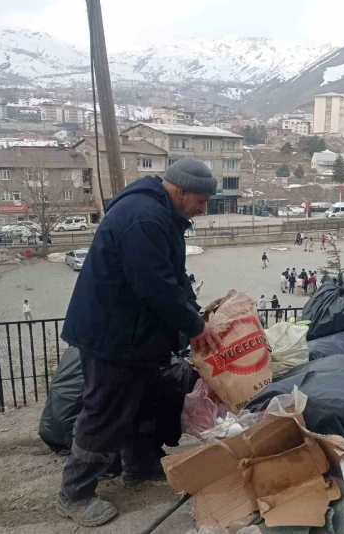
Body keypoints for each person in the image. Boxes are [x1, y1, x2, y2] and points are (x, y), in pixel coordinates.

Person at [56, 157, 222, 527]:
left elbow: (174, 275)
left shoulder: (164, 215)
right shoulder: (144, 218)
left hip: (138, 336)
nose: (203, 208)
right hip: (112, 334)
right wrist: (193, 327)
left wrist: (195, 313)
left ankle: (140, 465)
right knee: (105, 410)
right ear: (180, 192)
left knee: (142, 400)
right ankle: (75, 493)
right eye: (200, 200)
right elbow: (154, 285)